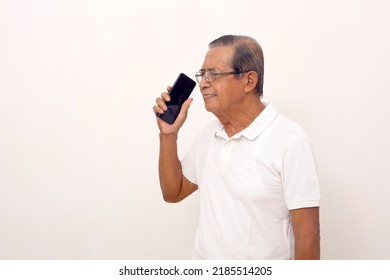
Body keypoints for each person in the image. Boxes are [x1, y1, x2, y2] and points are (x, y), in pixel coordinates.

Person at [153, 35, 320, 260]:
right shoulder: (208, 136)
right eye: (203, 74)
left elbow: (308, 237)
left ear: (249, 81)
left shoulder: (290, 140)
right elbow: (174, 193)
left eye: (214, 74)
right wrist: (168, 135)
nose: (203, 83)